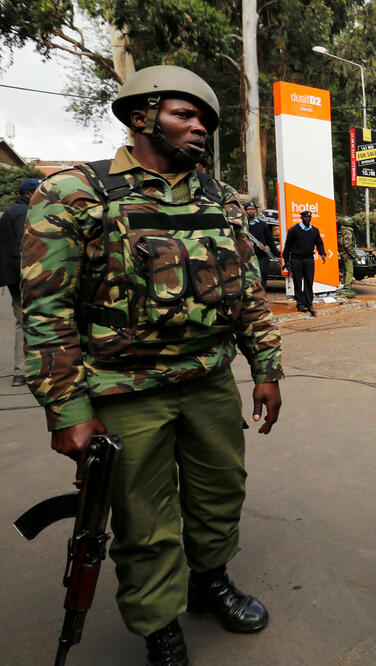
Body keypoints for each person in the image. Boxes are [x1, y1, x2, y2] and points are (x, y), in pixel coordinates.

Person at [20, 65, 283, 665]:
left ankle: (208, 581)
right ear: (140, 116)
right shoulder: (75, 193)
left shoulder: (219, 198)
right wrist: (67, 408)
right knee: (145, 519)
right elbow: (47, 310)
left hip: (209, 380)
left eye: (206, 120)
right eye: (183, 114)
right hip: (123, 387)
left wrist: (265, 366)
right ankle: (159, 625)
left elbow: (246, 290)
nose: (199, 128)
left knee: (221, 494)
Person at [0, 177, 40, 386]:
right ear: (28, 194)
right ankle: (22, 371)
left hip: (13, 277)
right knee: (27, 322)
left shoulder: (10, 212)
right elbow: (22, 248)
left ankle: (22, 372)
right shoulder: (24, 213)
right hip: (24, 277)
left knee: (23, 321)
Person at [282, 209, 325, 315]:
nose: (307, 219)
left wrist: (322, 254)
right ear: (301, 218)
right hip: (297, 259)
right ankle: (300, 304)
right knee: (297, 282)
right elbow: (287, 246)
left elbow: (319, 243)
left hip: (309, 259)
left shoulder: (314, 230)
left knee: (309, 281)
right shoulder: (294, 230)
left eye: (309, 217)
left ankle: (309, 303)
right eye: (305, 217)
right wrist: (286, 261)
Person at [245, 201, 278, 286]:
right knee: (249, 278)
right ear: (244, 211)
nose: (250, 211)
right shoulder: (242, 225)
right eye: (248, 209)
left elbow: (270, 241)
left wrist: (277, 255)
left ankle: (261, 296)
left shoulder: (263, 225)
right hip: (246, 257)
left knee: (262, 276)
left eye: (252, 209)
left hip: (261, 256)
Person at [337, 216, 358, 298]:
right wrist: (353, 254)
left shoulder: (340, 231)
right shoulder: (348, 232)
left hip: (342, 254)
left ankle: (345, 285)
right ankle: (347, 287)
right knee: (349, 271)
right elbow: (348, 245)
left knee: (344, 270)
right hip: (347, 255)